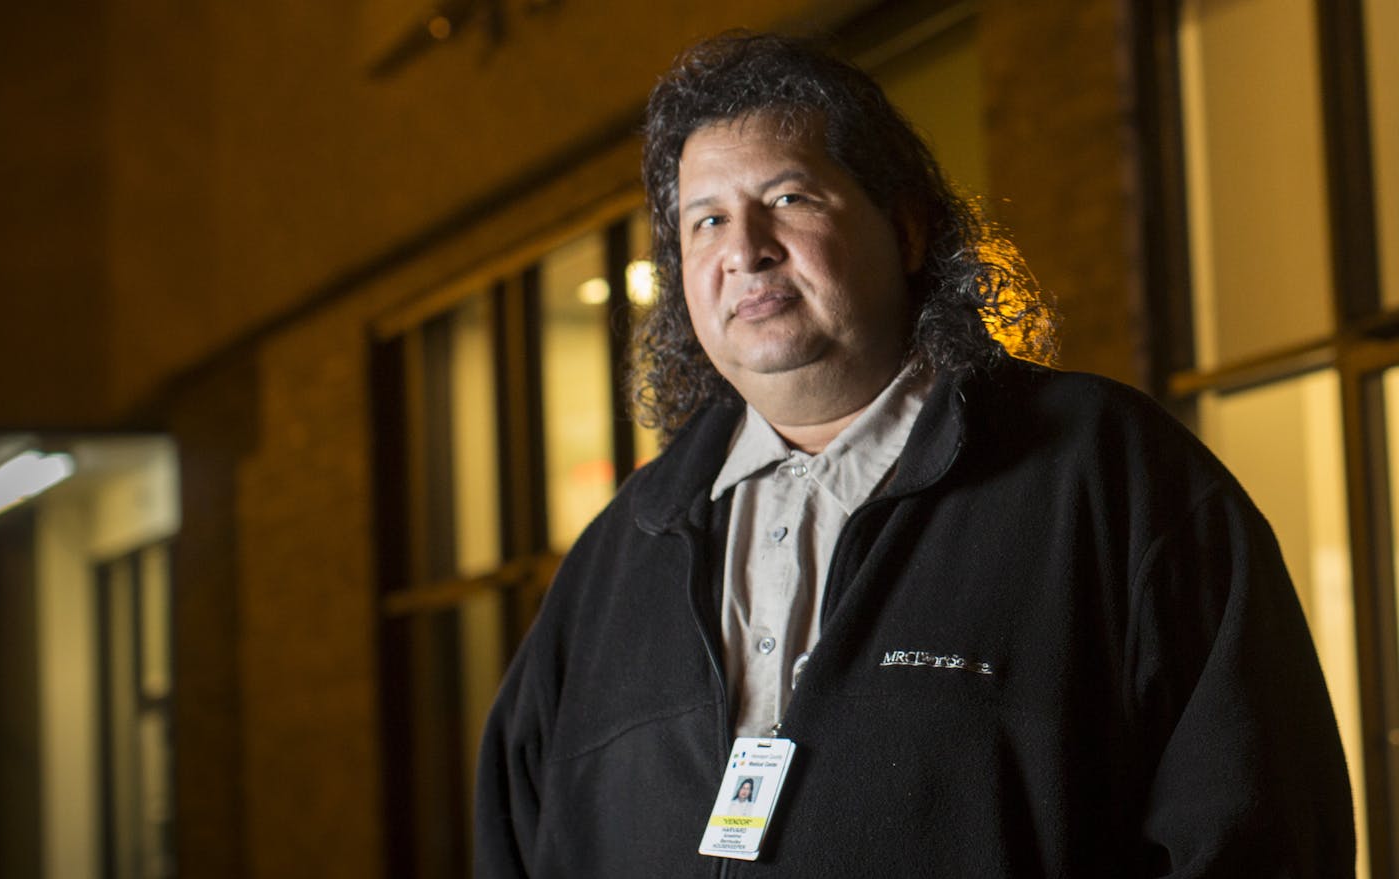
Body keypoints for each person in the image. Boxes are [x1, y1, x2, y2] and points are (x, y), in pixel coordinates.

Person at [475, 31, 1354, 877]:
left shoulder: (1106, 475)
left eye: (788, 198)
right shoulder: (618, 552)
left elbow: (1261, 836)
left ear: (905, 231)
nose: (743, 249)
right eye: (705, 220)